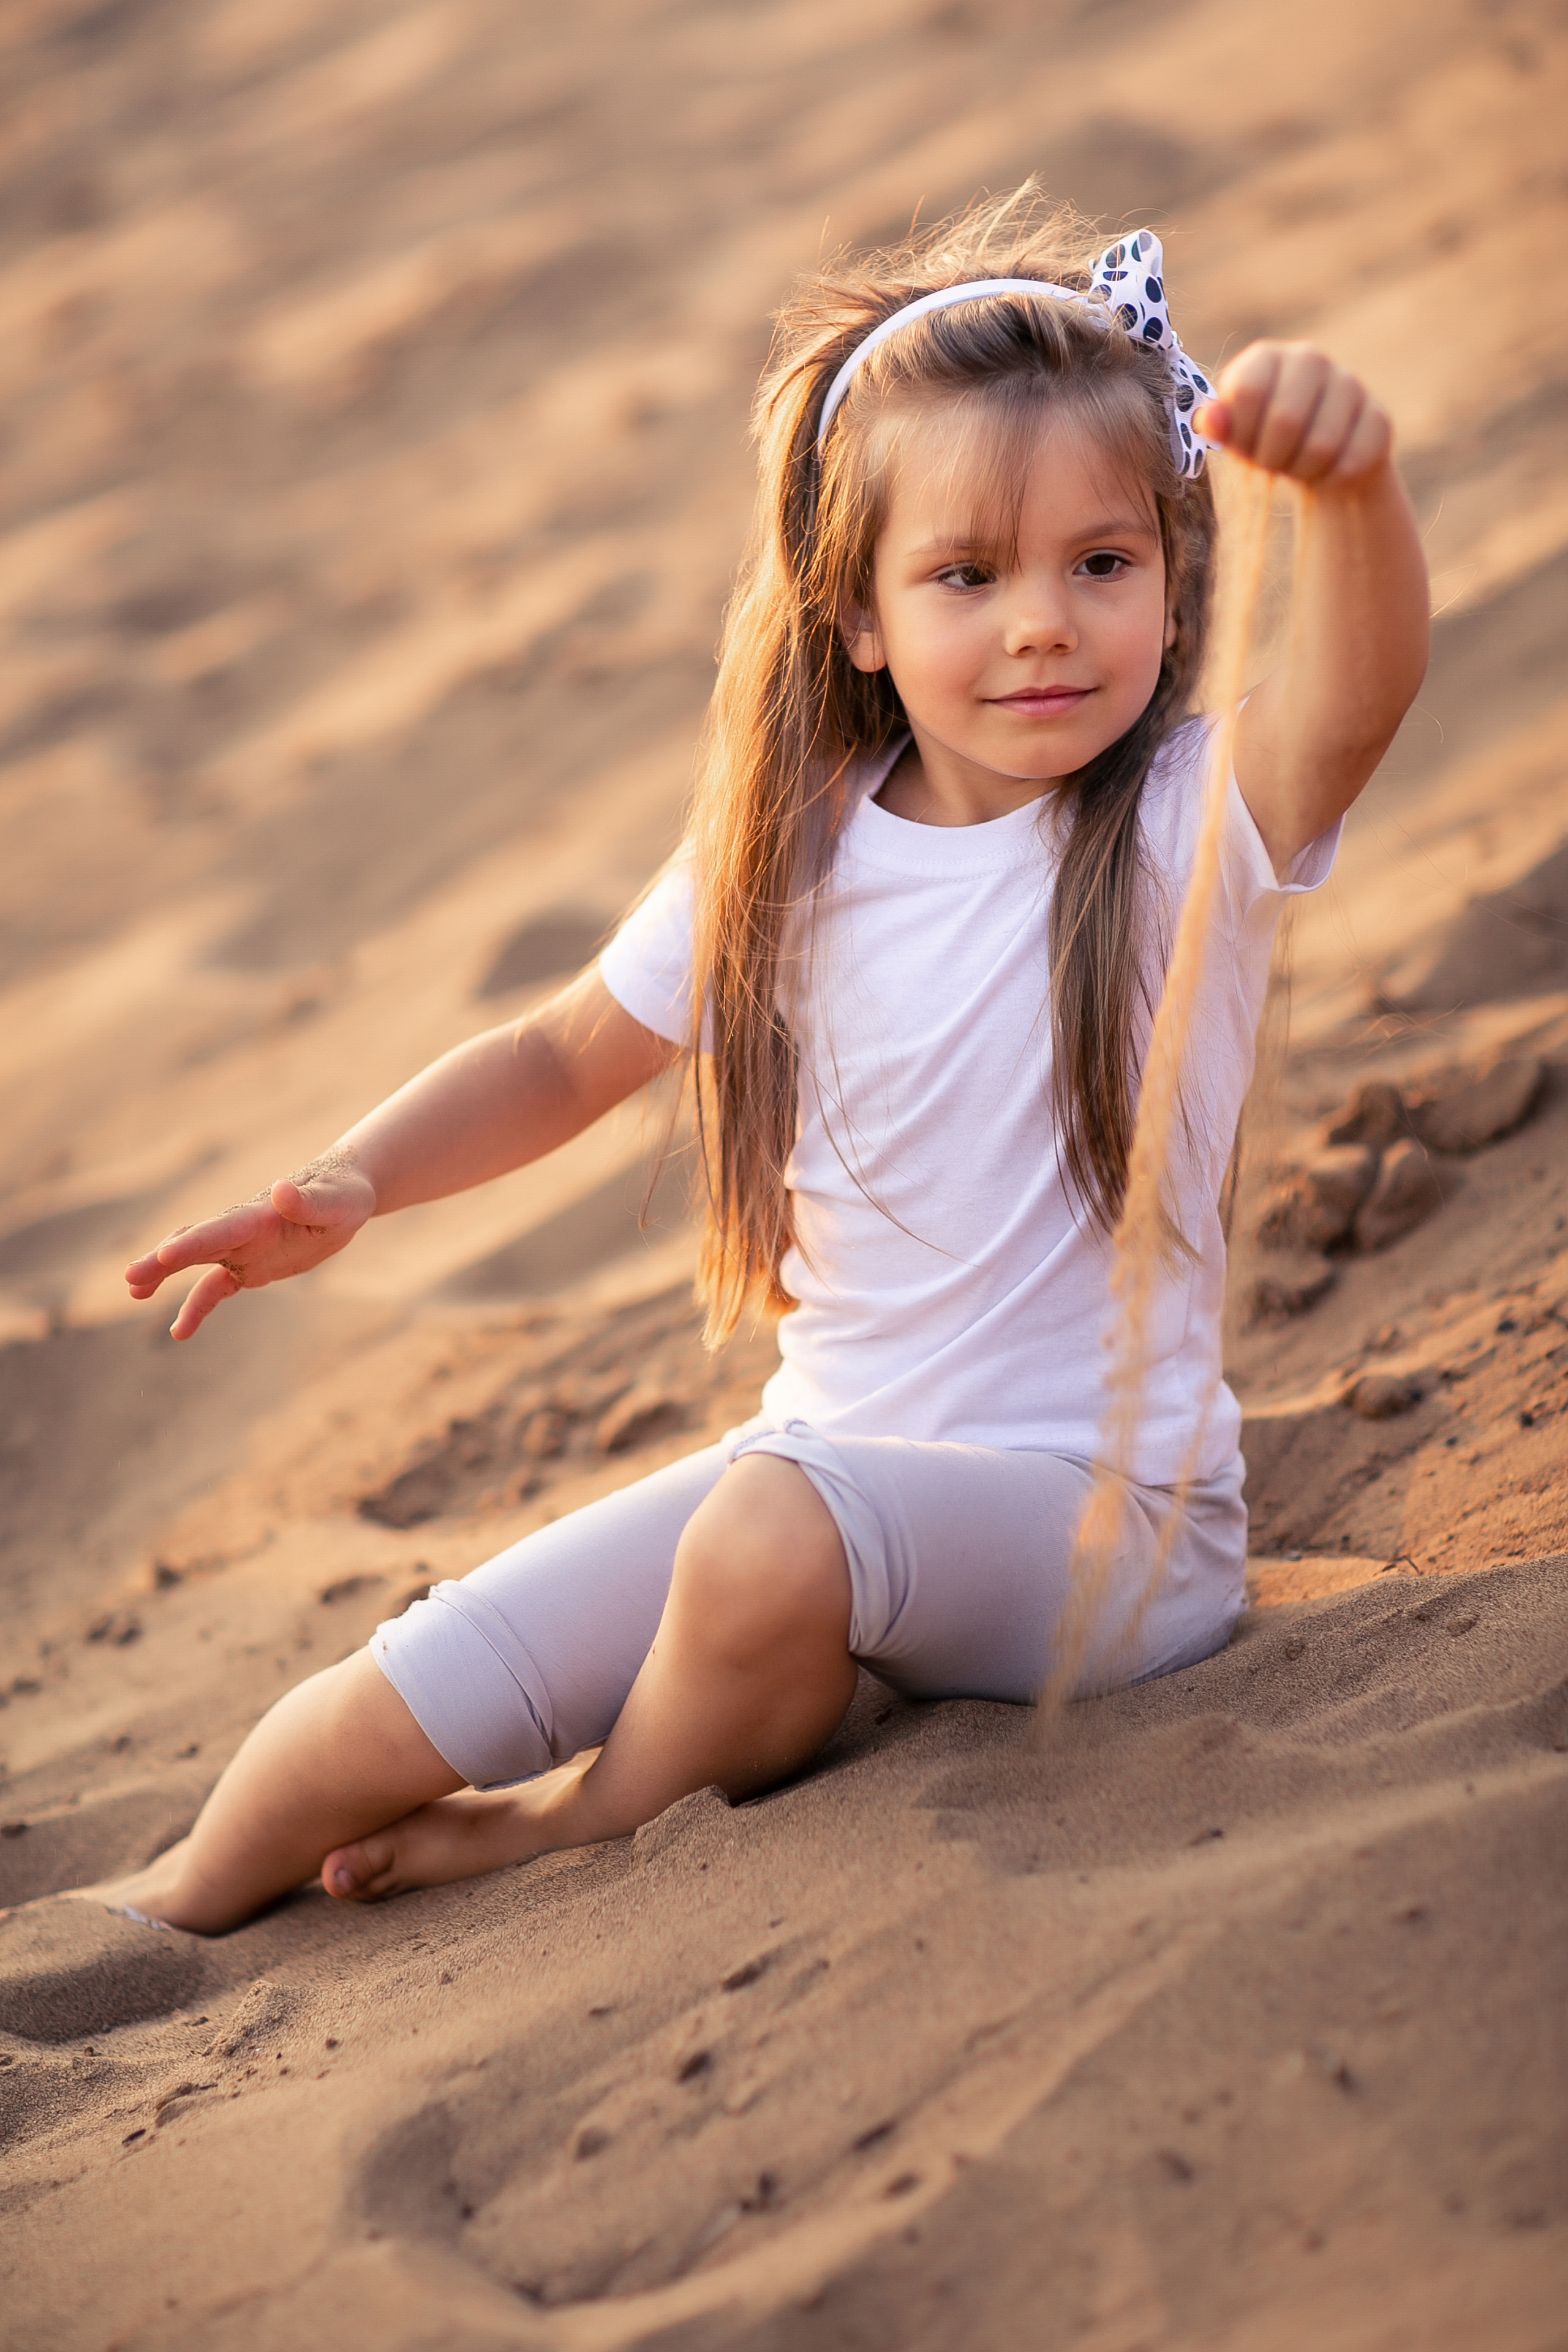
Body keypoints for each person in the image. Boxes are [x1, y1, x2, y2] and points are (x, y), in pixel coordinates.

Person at [70, 192, 1428, 1934]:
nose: (1042, 622)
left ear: (1173, 584)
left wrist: (1355, 490)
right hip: (824, 1481)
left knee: (771, 1535)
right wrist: (353, 1182)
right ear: (858, 616)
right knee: (379, 1712)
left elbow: (1357, 700)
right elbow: (563, 1052)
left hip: (1109, 1543)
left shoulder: (1180, 826)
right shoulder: (791, 849)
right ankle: (155, 1912)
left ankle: (573, 1823)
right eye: (967, 575)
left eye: (1102, 563)